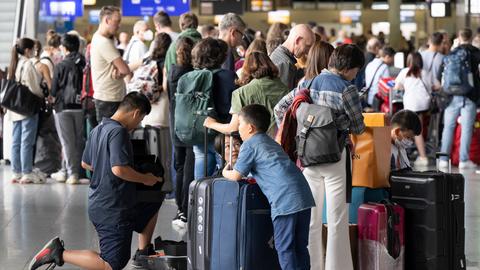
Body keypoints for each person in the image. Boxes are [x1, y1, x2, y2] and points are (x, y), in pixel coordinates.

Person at [29, 92, 163, 270]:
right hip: (113, 208)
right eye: (139, 120)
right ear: (136, 113)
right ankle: (58, 253)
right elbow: (119, 169)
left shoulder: (98, 129)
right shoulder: (119, 132)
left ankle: (143, 252)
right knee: (111, 264)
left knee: (152, 203)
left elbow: (86, 163)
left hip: (100, 202)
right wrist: (145, 178)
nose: (136, 125)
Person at [275, 44, 365, 270]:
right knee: (336, 219)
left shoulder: (306, 84)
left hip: (307, 158)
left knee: (312, 219)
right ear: (350, 68)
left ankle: (312, 266)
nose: (356, 74)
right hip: (335, 158)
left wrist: (299, 132)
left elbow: (280, 109)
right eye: (356, 70)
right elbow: (358, 127)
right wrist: (337, 122)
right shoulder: (347, 89)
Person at [222, 104, 315, 270]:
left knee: (284, 248)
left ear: (250, 128)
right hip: (303, 195)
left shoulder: (249, 145)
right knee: (300, 247)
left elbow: (236, 176)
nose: (238, 128)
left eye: (240, 124)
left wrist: (224, 172)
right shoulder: (270, 142)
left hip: (285, 200)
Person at [204, 50, 289, 137]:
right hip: (284, 141)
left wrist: (211, 123)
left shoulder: (241, 93)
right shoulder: (286, 88)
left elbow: (233, 128)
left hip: (258, 144)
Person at [189, 38, 237, 180]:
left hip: (199, 133)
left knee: (200, 180)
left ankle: (199, 201)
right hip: (222, 134)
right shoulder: (229, 76)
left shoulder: (193, 77)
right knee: (223, 179)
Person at [439, 28, 480, 170]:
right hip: (470, 95)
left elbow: (441, 74)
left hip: (451, 96)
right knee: (467, 128)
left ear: (459, 37)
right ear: (471, 37)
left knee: (448, 127)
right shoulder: (476, 52)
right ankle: (463, 160)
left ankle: (443, 159)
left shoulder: (451, 53)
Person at [49, 34, 87, 184]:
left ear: (64, 48)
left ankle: (72, 173)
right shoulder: (82, 63)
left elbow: (53, 91)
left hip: (63, 107)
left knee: (66, 142)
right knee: (77, 140)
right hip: (79, 106)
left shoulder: (60, 65)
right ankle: (65, 171)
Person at [7, 38, 45, 184]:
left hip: (14, 108)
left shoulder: (14, 63)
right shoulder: (28, 64)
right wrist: (42, 94)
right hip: (27, 108)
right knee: (27, 141)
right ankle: (27, 172)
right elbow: (34, 87)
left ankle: (16, 172)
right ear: (28, 50)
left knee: (16, 141)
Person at [167, 37, 195, 230]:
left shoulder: (172, 72)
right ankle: (187, 205)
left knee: (178, 166)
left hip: (175, 123)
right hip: (189, 125)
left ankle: (180, 207)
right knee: (188, 168)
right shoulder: (193, 74)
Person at [394, 52, 439, 167]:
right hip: (425, 104)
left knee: (415, 130)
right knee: (419, 127)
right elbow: (438, 86)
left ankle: (422, 156)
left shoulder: (405, 72)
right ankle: (417, 150)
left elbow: (397, 87)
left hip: (411, 104)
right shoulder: (427, 73)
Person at [91, 6, 131, 123]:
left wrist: (119, 70)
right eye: (117, 21)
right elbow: (125, 69)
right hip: (109, 100)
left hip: (106, 97)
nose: (119, 25)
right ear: (107, 20)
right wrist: (122, 71)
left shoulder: (100, 38)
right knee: (111, 138)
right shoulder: (103, 42)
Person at [270, 24, 315, 89]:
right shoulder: (286, 63)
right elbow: (285, 97)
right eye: (307, 46)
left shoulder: (278, 54)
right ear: (297, 40)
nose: (308, 52)